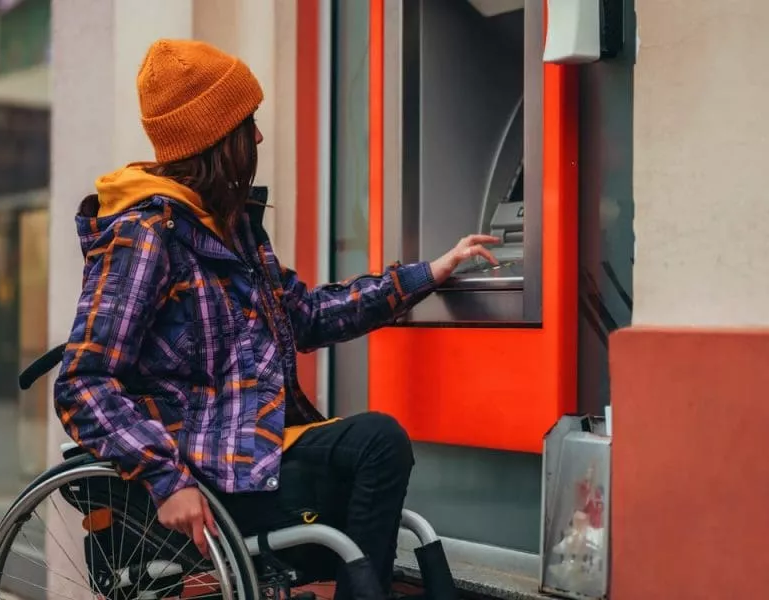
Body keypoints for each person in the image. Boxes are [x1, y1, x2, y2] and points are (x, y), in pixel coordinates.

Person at [54, 39, 498, 599]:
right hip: (205, 472)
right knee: (377, 443)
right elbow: (80, 382)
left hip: (250, 452)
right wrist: (166, 481)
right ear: (217, 139)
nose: (259, 138)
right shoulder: (145, 236)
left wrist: (426, 275)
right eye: (248, 124)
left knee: (371, 452)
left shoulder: (232, 228)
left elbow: (305, 315)